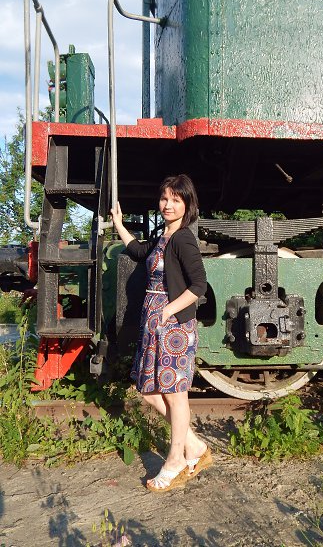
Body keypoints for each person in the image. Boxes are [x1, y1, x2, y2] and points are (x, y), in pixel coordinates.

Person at [110, 174, 212, 492]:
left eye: (175, 200)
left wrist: (167, 311)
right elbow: (138, 251)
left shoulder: (182, 239)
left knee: (174, 394)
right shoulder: (163, 237)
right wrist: (119, 224)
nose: (168, 205)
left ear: (187, 205)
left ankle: (175, 459)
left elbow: (199, 285)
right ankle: (194, 446)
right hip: (155, 323)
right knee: (150, 391)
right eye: (165, 198)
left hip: (173, 326)